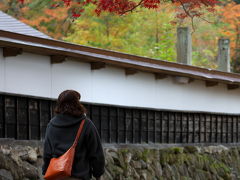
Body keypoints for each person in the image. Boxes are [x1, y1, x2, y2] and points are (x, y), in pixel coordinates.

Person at [42, 90, 105, 180]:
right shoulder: (86, 124)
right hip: (79, 176)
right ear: (77, 104)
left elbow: (47, 153)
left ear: (59, 104)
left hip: (57, 176)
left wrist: (45, 171)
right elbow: (96, 153)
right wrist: (98, 174)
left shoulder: (51, 125)